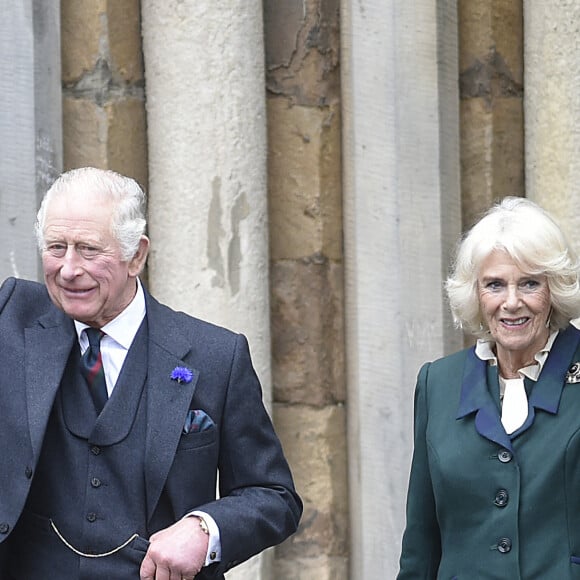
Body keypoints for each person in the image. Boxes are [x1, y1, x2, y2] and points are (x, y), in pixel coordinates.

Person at [0, 167, 302, 579]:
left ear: (136, 256)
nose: (69, 269)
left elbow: (274, 497)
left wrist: (203, 530)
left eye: (89, 249)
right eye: (56, 247)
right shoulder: (12, 318)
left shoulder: (215, 356)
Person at [397, 196, 580, 579]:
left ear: (554, 289)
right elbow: (421, 543)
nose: (511, 303)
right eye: (494, 285)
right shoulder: (438, 384)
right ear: (476, 295)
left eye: (529, 283)